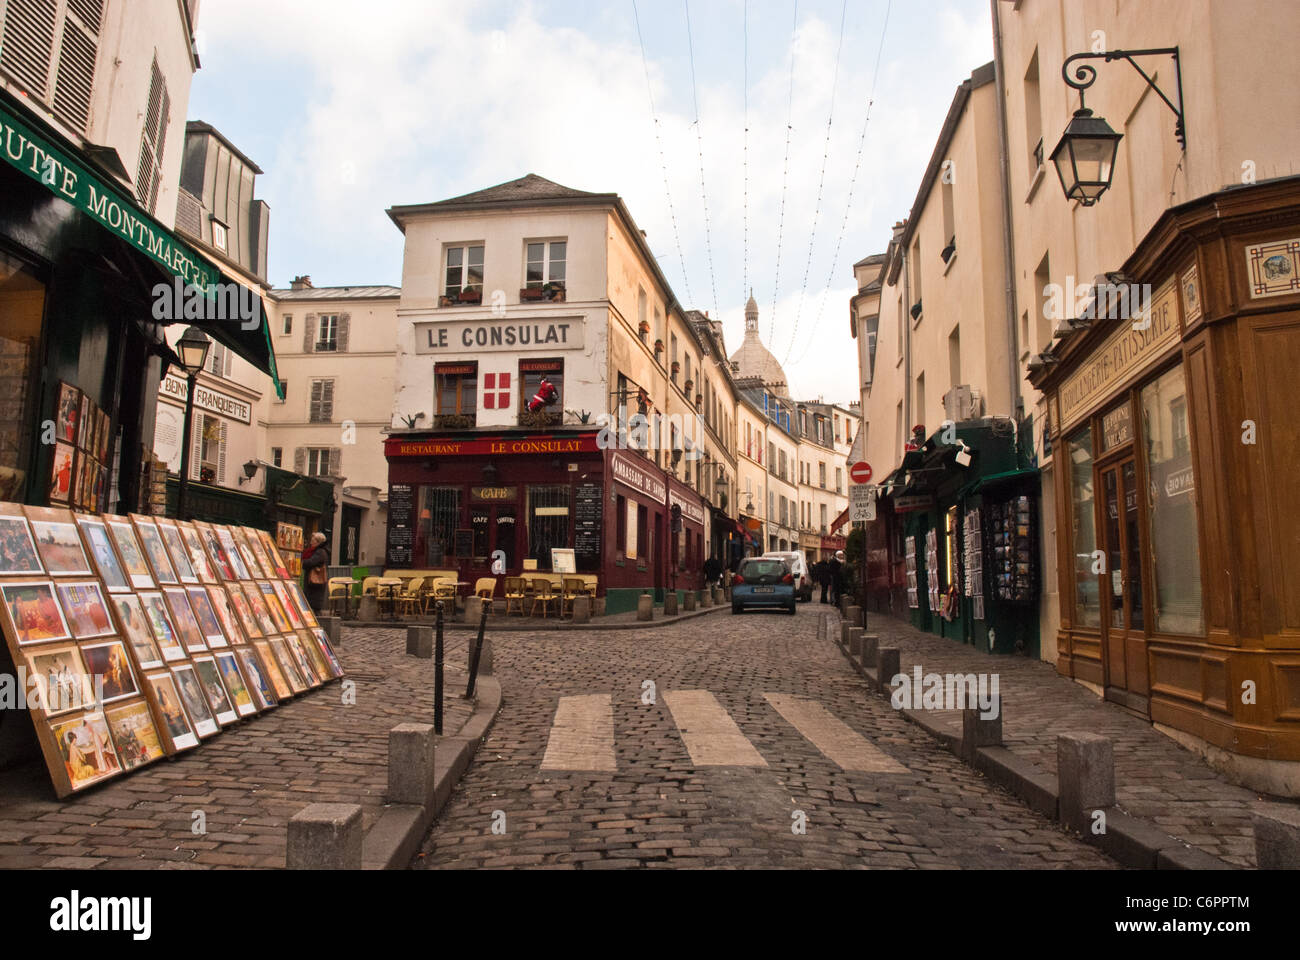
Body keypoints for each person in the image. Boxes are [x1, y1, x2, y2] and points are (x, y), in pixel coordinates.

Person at [300, 531, 329, 614]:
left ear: (318, 542)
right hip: (312, 583)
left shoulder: (320, 552)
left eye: (313, 541)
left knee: (314, 607)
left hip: (315, 583)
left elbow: (311, 562)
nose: (311, 543)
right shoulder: (316, 551)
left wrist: (301, 562)